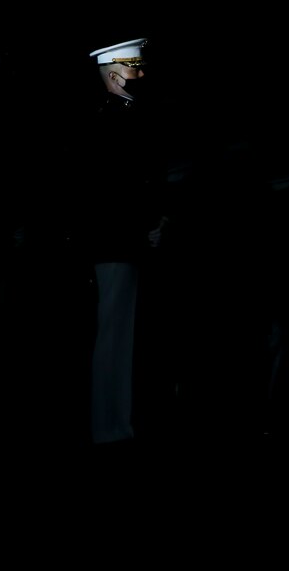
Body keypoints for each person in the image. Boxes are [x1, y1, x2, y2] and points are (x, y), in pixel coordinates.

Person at [80, 37, 170, 446]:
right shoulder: (111, 121)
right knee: (114, 335)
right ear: (114, 73)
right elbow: (116, 190)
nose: (141, 73)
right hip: (115, 241)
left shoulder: (124, 118)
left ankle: (118, 422)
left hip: (124, 240)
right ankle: (110, 426)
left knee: (121, 334)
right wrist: (145, 221)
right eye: (134, 67)